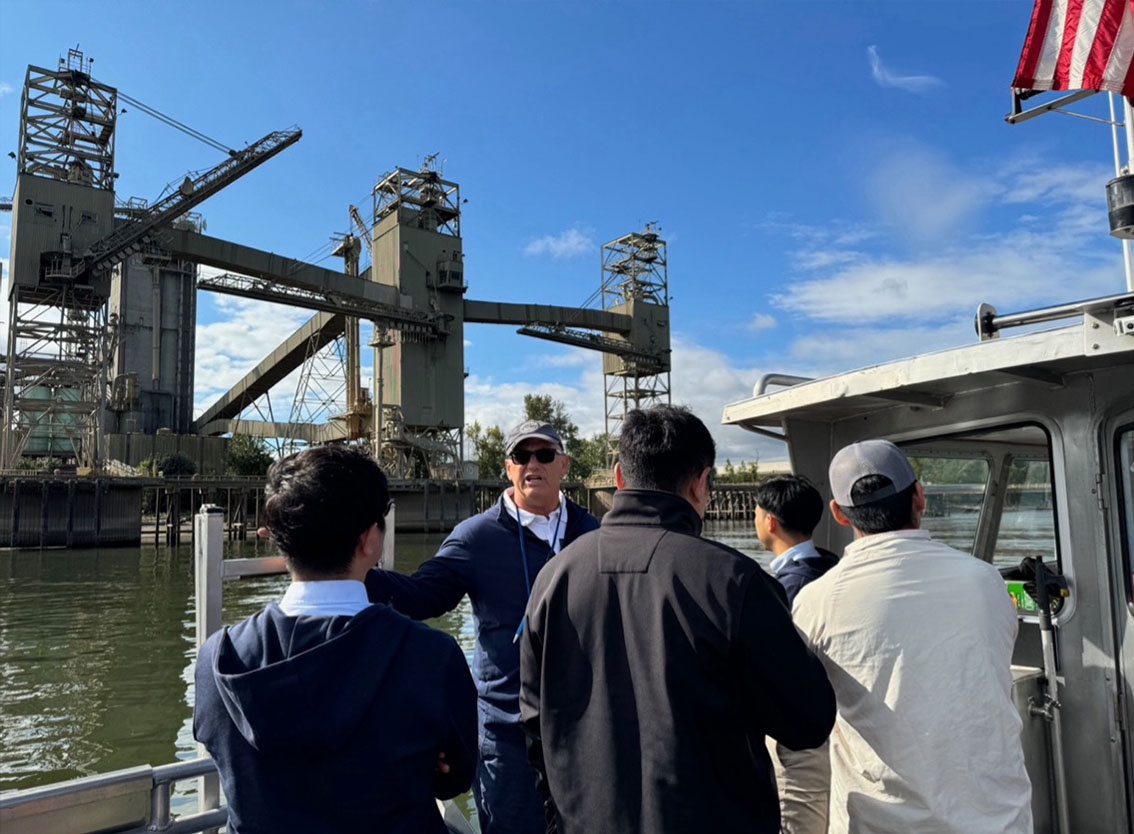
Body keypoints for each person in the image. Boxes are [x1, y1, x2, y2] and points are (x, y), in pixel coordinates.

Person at [519, 405, 835, 834]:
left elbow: (535, 720)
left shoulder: (553, 578)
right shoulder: (736, 582)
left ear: (618, 478)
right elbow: (808, 723)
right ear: (702, 483)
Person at [194, 446, 477, 834]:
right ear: (370, 541)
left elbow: (222, 750)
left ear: (278, 539)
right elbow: (455, 778)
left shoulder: (218, 660)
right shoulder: (432, 657)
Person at [365, 420, 600, 834]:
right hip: (508, 736)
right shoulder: (476, 537)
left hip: (585, 730)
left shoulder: (593, 534)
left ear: (563, 464)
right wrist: (347, 566)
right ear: (507, 467)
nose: (533, 464)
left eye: (544, 455)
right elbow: (423, 596)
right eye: (521, 456)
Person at [790, 438, 1033, 833]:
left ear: (837, 513)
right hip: (997, 820)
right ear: (919, 496)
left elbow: (803, 713)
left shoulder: (815, 602)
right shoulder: (984, 580)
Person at [753, 475, 839, 834]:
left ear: (770, 521)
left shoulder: (783, 589)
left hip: (801, 749)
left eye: (756, 513)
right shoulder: (833, 567)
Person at [754, 474, 839, 605]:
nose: (755, 522)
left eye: (756, 515)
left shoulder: (790, 588)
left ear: (770, 522)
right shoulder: (831, 565)